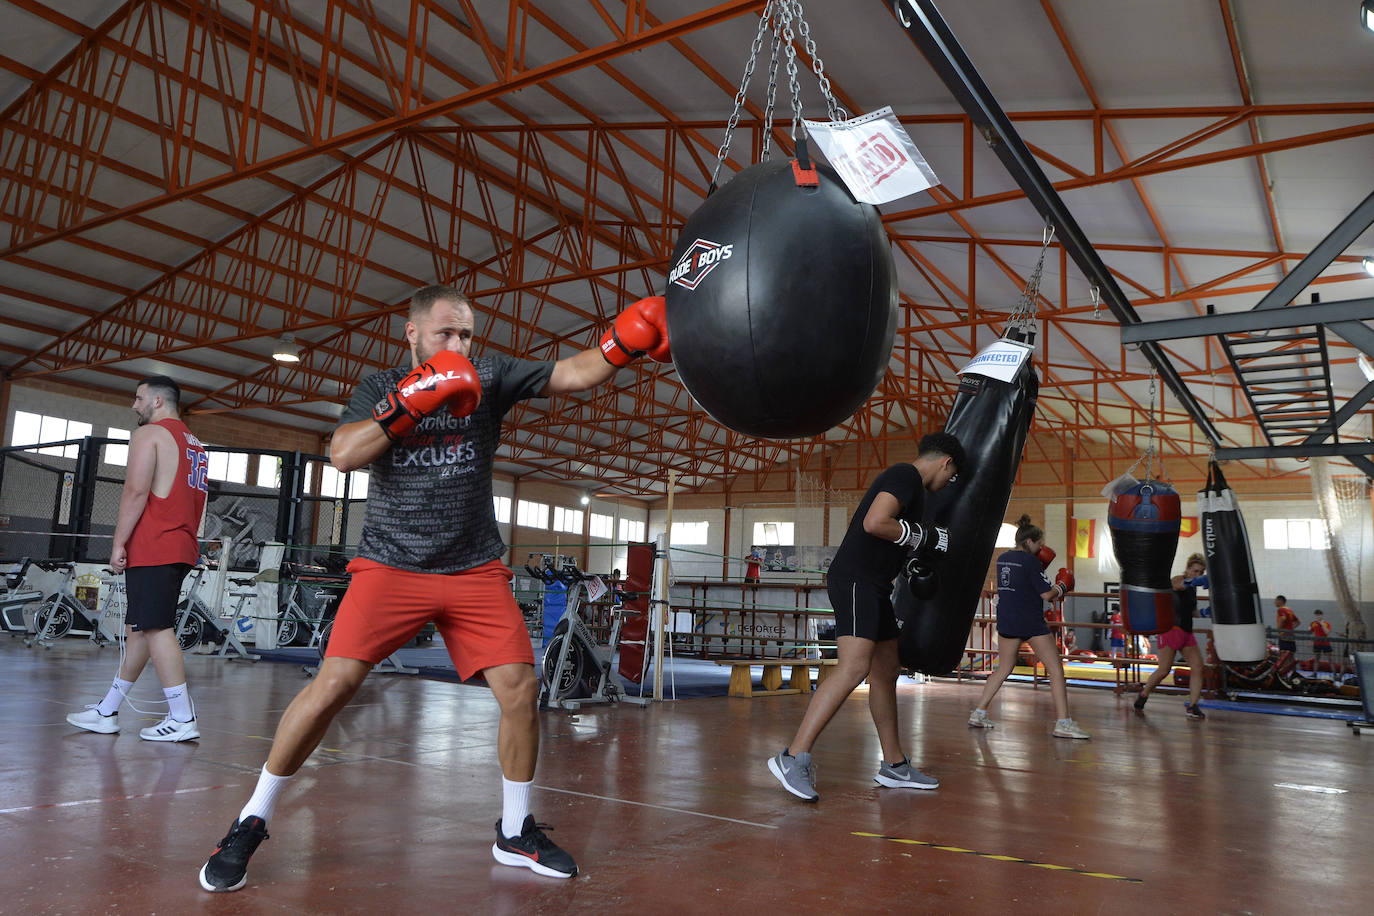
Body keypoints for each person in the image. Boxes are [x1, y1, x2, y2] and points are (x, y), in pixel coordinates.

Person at [197, 285, 670, 892]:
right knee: (332, 686)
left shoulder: (492, 376)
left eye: (465, 335)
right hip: (391, 567)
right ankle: (251, 818)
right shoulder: (379, 386)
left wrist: (622, 342)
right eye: (445, 334)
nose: (457, 345)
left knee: (521, 690)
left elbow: (574, 373)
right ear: (413, 334)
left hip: (473, 569)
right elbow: (343, 454)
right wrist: (412, 400)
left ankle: (516, 828)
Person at [766, 432, 963, 802]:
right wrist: (923, 537)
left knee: (886, 671)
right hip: (856, 580)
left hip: (875, 586)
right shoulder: (905, 475)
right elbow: (876, 522)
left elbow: (892, 536)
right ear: (946, 463)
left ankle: (895, 765)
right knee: (854, 668)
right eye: (951, 478)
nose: (947, 486)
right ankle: (793, 757)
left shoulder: (914, 490)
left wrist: (917, 548)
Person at [66, 376, 209, 742]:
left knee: (157, 629)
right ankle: (107, 710)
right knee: (141, 630)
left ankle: (181, 718)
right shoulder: (195, 444)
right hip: (179, 543)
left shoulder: (150, 435)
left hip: (156, 545)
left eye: (139, 398)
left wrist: (118, 543)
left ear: (158, 401)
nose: (134, 405)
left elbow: (135, 490)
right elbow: (197, 503)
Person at [967, 515, 1089, 739]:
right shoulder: (1031, 561)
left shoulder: (1003, 559)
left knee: (1003, 668)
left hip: (1006, 619)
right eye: (1039, 544)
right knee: (1055, 668)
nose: (1042, 548)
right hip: (1030, 622)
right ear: (1029, 541)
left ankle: (979, 712)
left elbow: (1021, 583)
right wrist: (1062, 585)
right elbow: (1047, 594)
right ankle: (1064, 722)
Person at [1134, 553, 1208, 719]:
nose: (1198, 575)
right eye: (1195, 571)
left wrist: (1207, 613)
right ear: (1188, 569)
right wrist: (1198, 580)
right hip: (1171, 630)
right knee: (1164, 670)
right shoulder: (1178, 579)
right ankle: (1144, 694)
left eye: (1201, 572)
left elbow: (1193, 611)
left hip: (1187, 632)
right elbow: (1179, 585)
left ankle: (1193, 706)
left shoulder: (1193, 588)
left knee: (1198, 667)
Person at [1274, 594, 1299, 664]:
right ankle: (1294, 673)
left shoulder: (1281, 609)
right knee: (1291, 656)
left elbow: (1283, 618)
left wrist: (1279, 628)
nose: (1274, 602)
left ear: (1280, 601)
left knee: (1283, 657)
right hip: (1291, 636)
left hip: (1284, 636)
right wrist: (1290, 628)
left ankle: (1284, 674)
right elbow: (1298, 622)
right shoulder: (1289, 610)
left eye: (1276, 600)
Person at [1310, 609, 1333, 674]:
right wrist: (1311, 641)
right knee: (1316, 659)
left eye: (1319, 615)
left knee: (1330, 659)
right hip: (1317, 643)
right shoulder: (1313, 623)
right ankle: (1314, 674)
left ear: (1322, 615)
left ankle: (1334, 674)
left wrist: (1322, 624)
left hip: (1326, 643)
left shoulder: (1326, 623)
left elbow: (1327, 632)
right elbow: (1311, 632)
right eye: (1316, 615)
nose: (1317, 617)